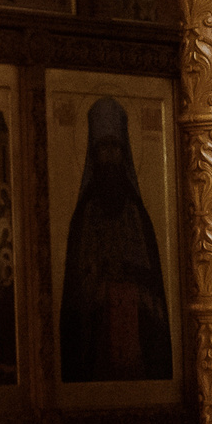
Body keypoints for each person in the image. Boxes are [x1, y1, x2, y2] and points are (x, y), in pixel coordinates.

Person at [59, 98, 173, 382]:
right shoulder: (85, 214)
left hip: (138, 332)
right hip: (96, 336)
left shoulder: (137, 214)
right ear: (94, 154)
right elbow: (76, 290)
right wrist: (101, 286)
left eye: (115, 148)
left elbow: (154, 284)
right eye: (103, 149)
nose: (109, 156)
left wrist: (131, 285)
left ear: (124, 153)